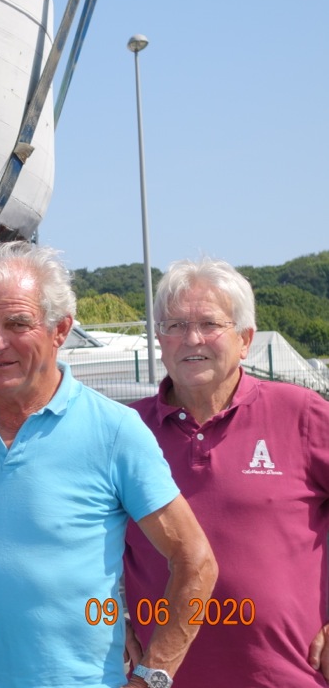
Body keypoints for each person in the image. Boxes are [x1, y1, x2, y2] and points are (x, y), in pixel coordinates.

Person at [0, 241, 217, 688]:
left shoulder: (115, 431)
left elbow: (197, 561)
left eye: (17, 323)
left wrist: (152, 676)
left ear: (60, 329)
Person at [123, 257, 329, 686]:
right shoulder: (123, 430)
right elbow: (75, 539)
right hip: (161, 678)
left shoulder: (302, 414)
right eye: (174, 325)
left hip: (287, 677)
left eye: (209, 324)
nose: (190, 338)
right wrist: (102, 622)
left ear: (245, 339)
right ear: (158, 338)